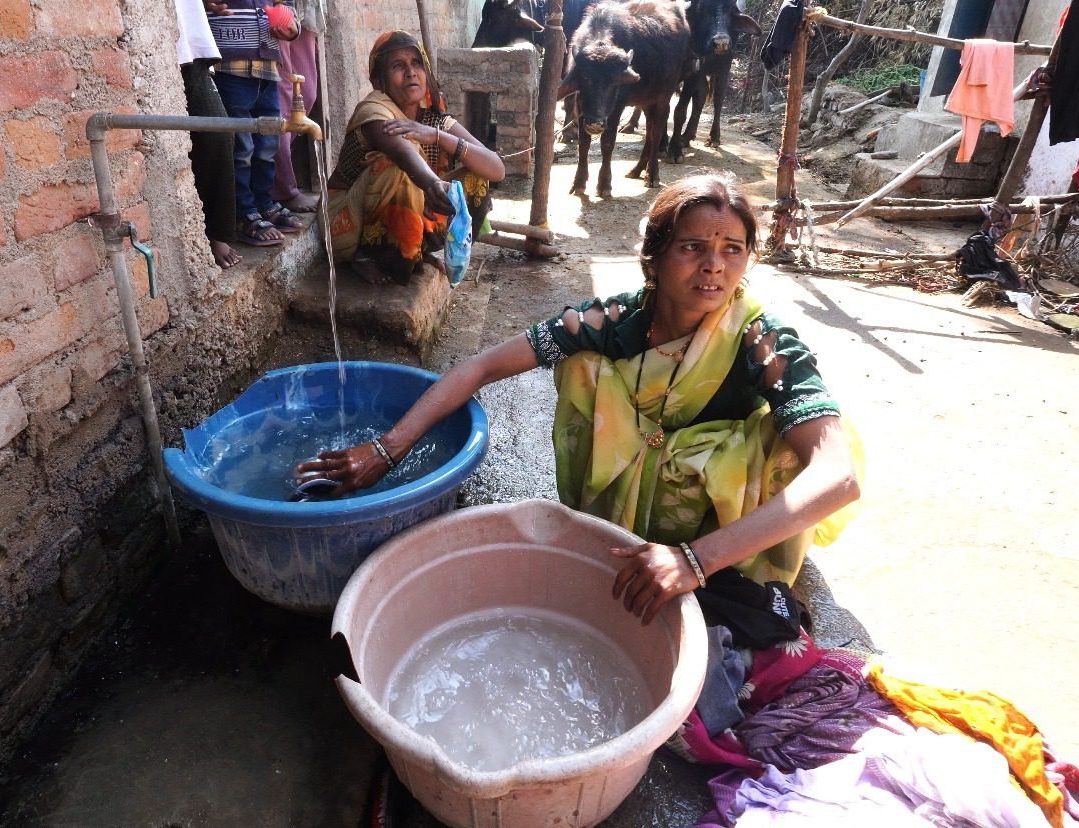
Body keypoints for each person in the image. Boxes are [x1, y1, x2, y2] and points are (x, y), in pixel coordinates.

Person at [298, 174, 863, 623]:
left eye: (732, 249)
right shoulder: (616, 320)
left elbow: (839, 475)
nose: (714, 265)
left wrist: (696, 561)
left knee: (789, 447)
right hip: (639, 497)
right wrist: (387, 449)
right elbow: (482, 366)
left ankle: (717, 552)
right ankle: (620, 524)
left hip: (717, 517)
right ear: (655, 256)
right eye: (693, 247)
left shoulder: (762, 340)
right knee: (583, 368)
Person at [325, 31, 506, 284]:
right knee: (395, 168)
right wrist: (431, 184)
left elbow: (496, 169)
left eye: (416, 63)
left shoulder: (434, 120)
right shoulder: (374, 110)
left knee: (477, 172)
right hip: (344, 224)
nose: (410, 72)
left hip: (407, 202)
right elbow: (403, 152)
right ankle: (367, 254)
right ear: (379, 80)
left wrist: (437, 136)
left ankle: (418, 249)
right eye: (398, 66)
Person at [205, 0, 309, 247]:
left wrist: (291, 28)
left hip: (268, 73)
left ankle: (264, 203)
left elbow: (289, 14)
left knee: (267, 147)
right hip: (230, 72)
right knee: (241, 150)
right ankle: (245, 213)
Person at [175, 0, 242, 269]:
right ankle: (213, 232)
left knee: (219, 134)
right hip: (171, 44)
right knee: (212, 134)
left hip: (190, 41)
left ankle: (217, 232)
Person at [272, 0, 323, 215]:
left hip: (304, 7)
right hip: (275, 8)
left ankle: (273, 169)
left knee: (307, 93)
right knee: (283, 98)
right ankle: (284, 188)